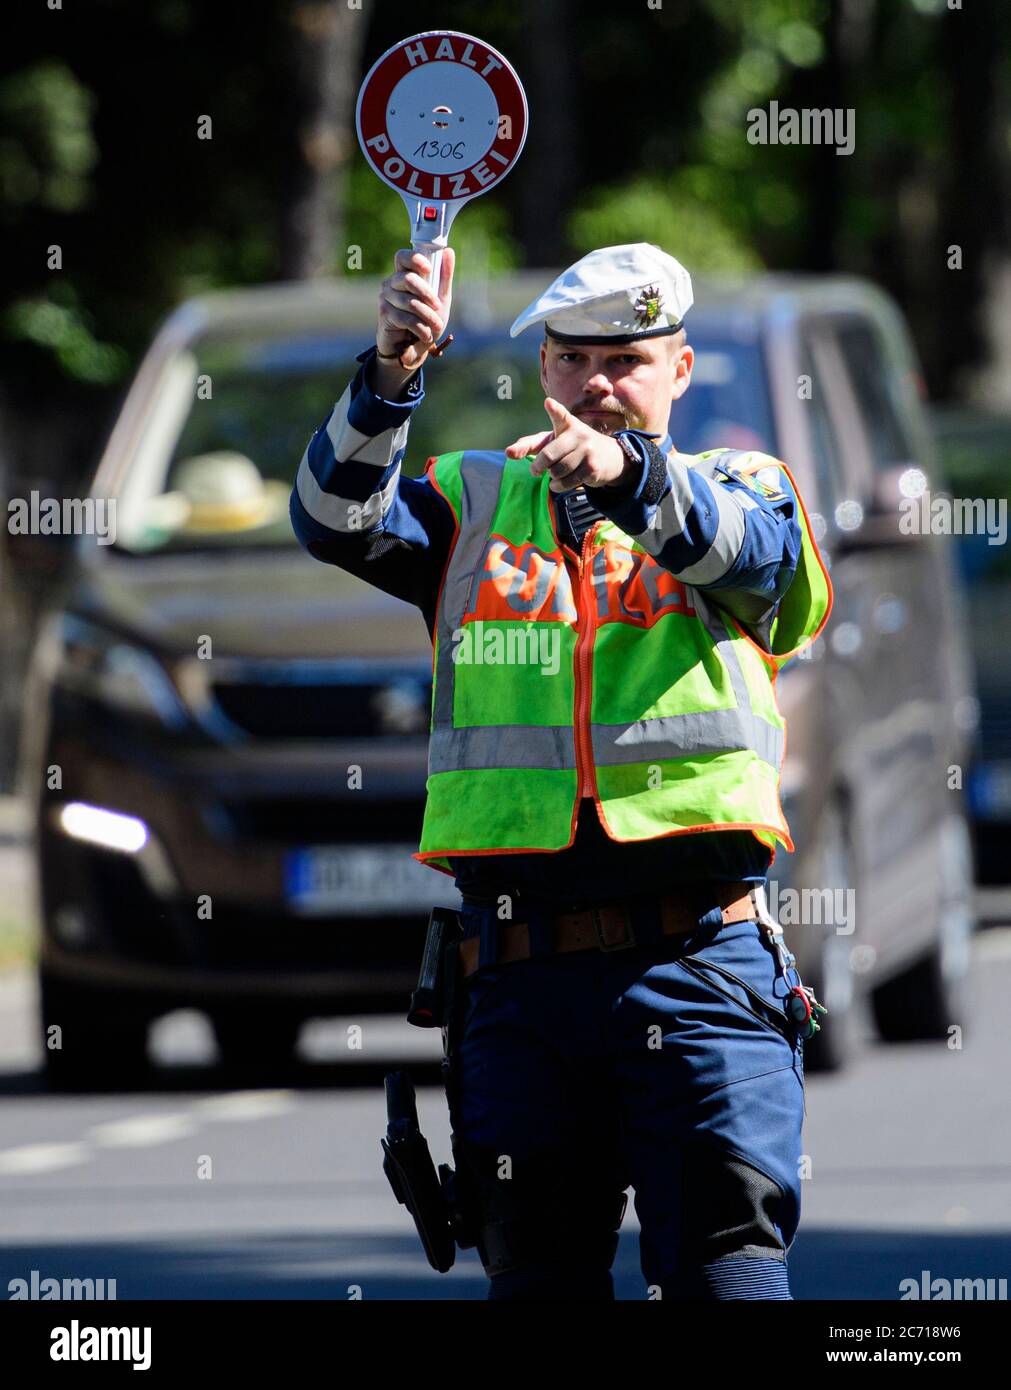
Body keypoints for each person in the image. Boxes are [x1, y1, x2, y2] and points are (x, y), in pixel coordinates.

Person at [289, 241, 833, 1300]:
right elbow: (333, 517)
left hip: (702, 963)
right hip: (522, 976)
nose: (598, 382)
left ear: (679, 369)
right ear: (545, 370)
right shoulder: (472, 502)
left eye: (626, 357)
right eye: (575, 358)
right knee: (537, 1280)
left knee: (730, 1273)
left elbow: (763, 570)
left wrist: (629, 476)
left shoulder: (744, 490)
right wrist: (393, 372)